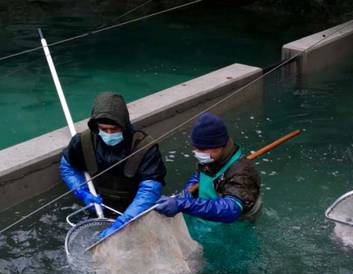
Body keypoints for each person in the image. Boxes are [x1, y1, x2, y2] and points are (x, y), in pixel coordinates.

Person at [60, 92, 166, 238]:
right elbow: (67, 167)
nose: (109, 134)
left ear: (124, 124)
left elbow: (150, 189)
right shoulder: (82, 142)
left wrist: (124, 220)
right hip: (98, 204)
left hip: (134, 210)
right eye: (104, 129)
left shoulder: (145, 148)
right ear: (96, 126)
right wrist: (81, 191)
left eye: (114, 129)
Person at [155, 113, 261, 225]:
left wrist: (185, 205)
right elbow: (200, 175)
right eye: (196, 148)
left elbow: (231, 209)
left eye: (202, 149)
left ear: (219, 146)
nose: (197, 153)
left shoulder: (242, 173)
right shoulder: (212, 158)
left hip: (237, 222)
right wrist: (186, 194)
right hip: (212, 209)